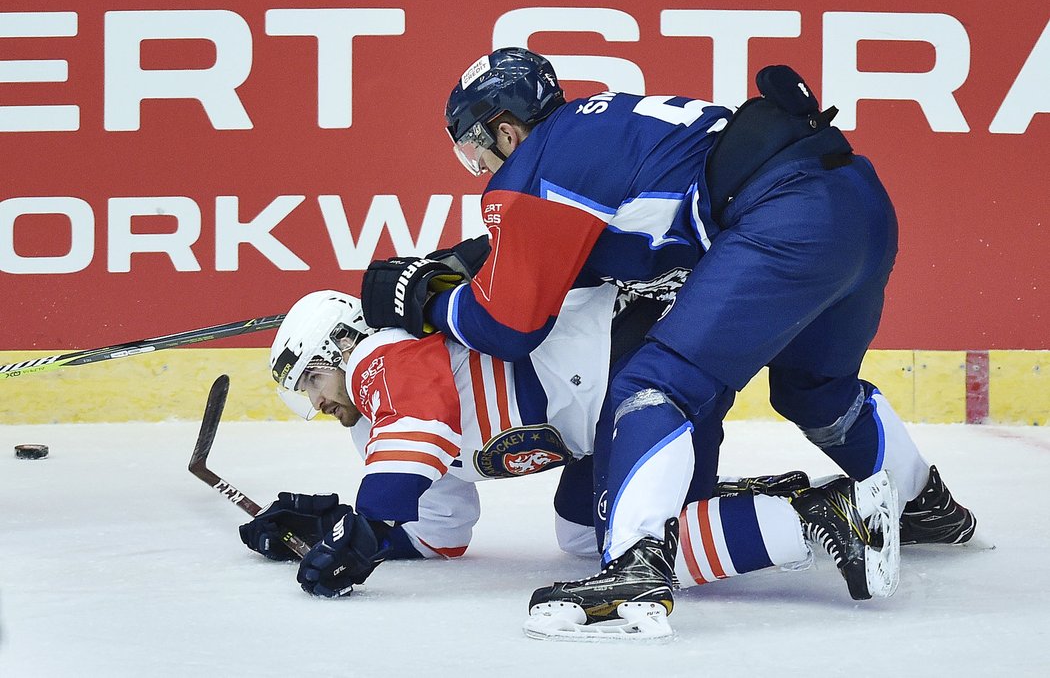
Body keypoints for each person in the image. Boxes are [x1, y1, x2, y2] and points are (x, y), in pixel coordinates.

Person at [358, 47, 976, 638]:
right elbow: (592, 250)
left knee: (651, 387)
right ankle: (925, 503)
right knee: (816, 389)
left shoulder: (533, 166)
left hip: (784, 218)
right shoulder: (594, 126)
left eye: (474, 149)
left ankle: (634, 572)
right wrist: (465, 262)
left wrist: (429, 300)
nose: (480, 166)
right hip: (856, 203)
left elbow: (509, 328)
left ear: (506, 130)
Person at [242, 288, 901, 640]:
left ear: (334, 350)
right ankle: (749, 506)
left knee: (630, 551)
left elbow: (420, 427)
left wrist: (360, 523)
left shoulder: (382, 356)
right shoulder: (378, 426)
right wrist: (334, 526)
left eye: (309, 385)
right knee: (581, 533)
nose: (315, 404)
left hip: (642, 363)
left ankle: (822, 516)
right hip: (611, 411)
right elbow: (441, 530)